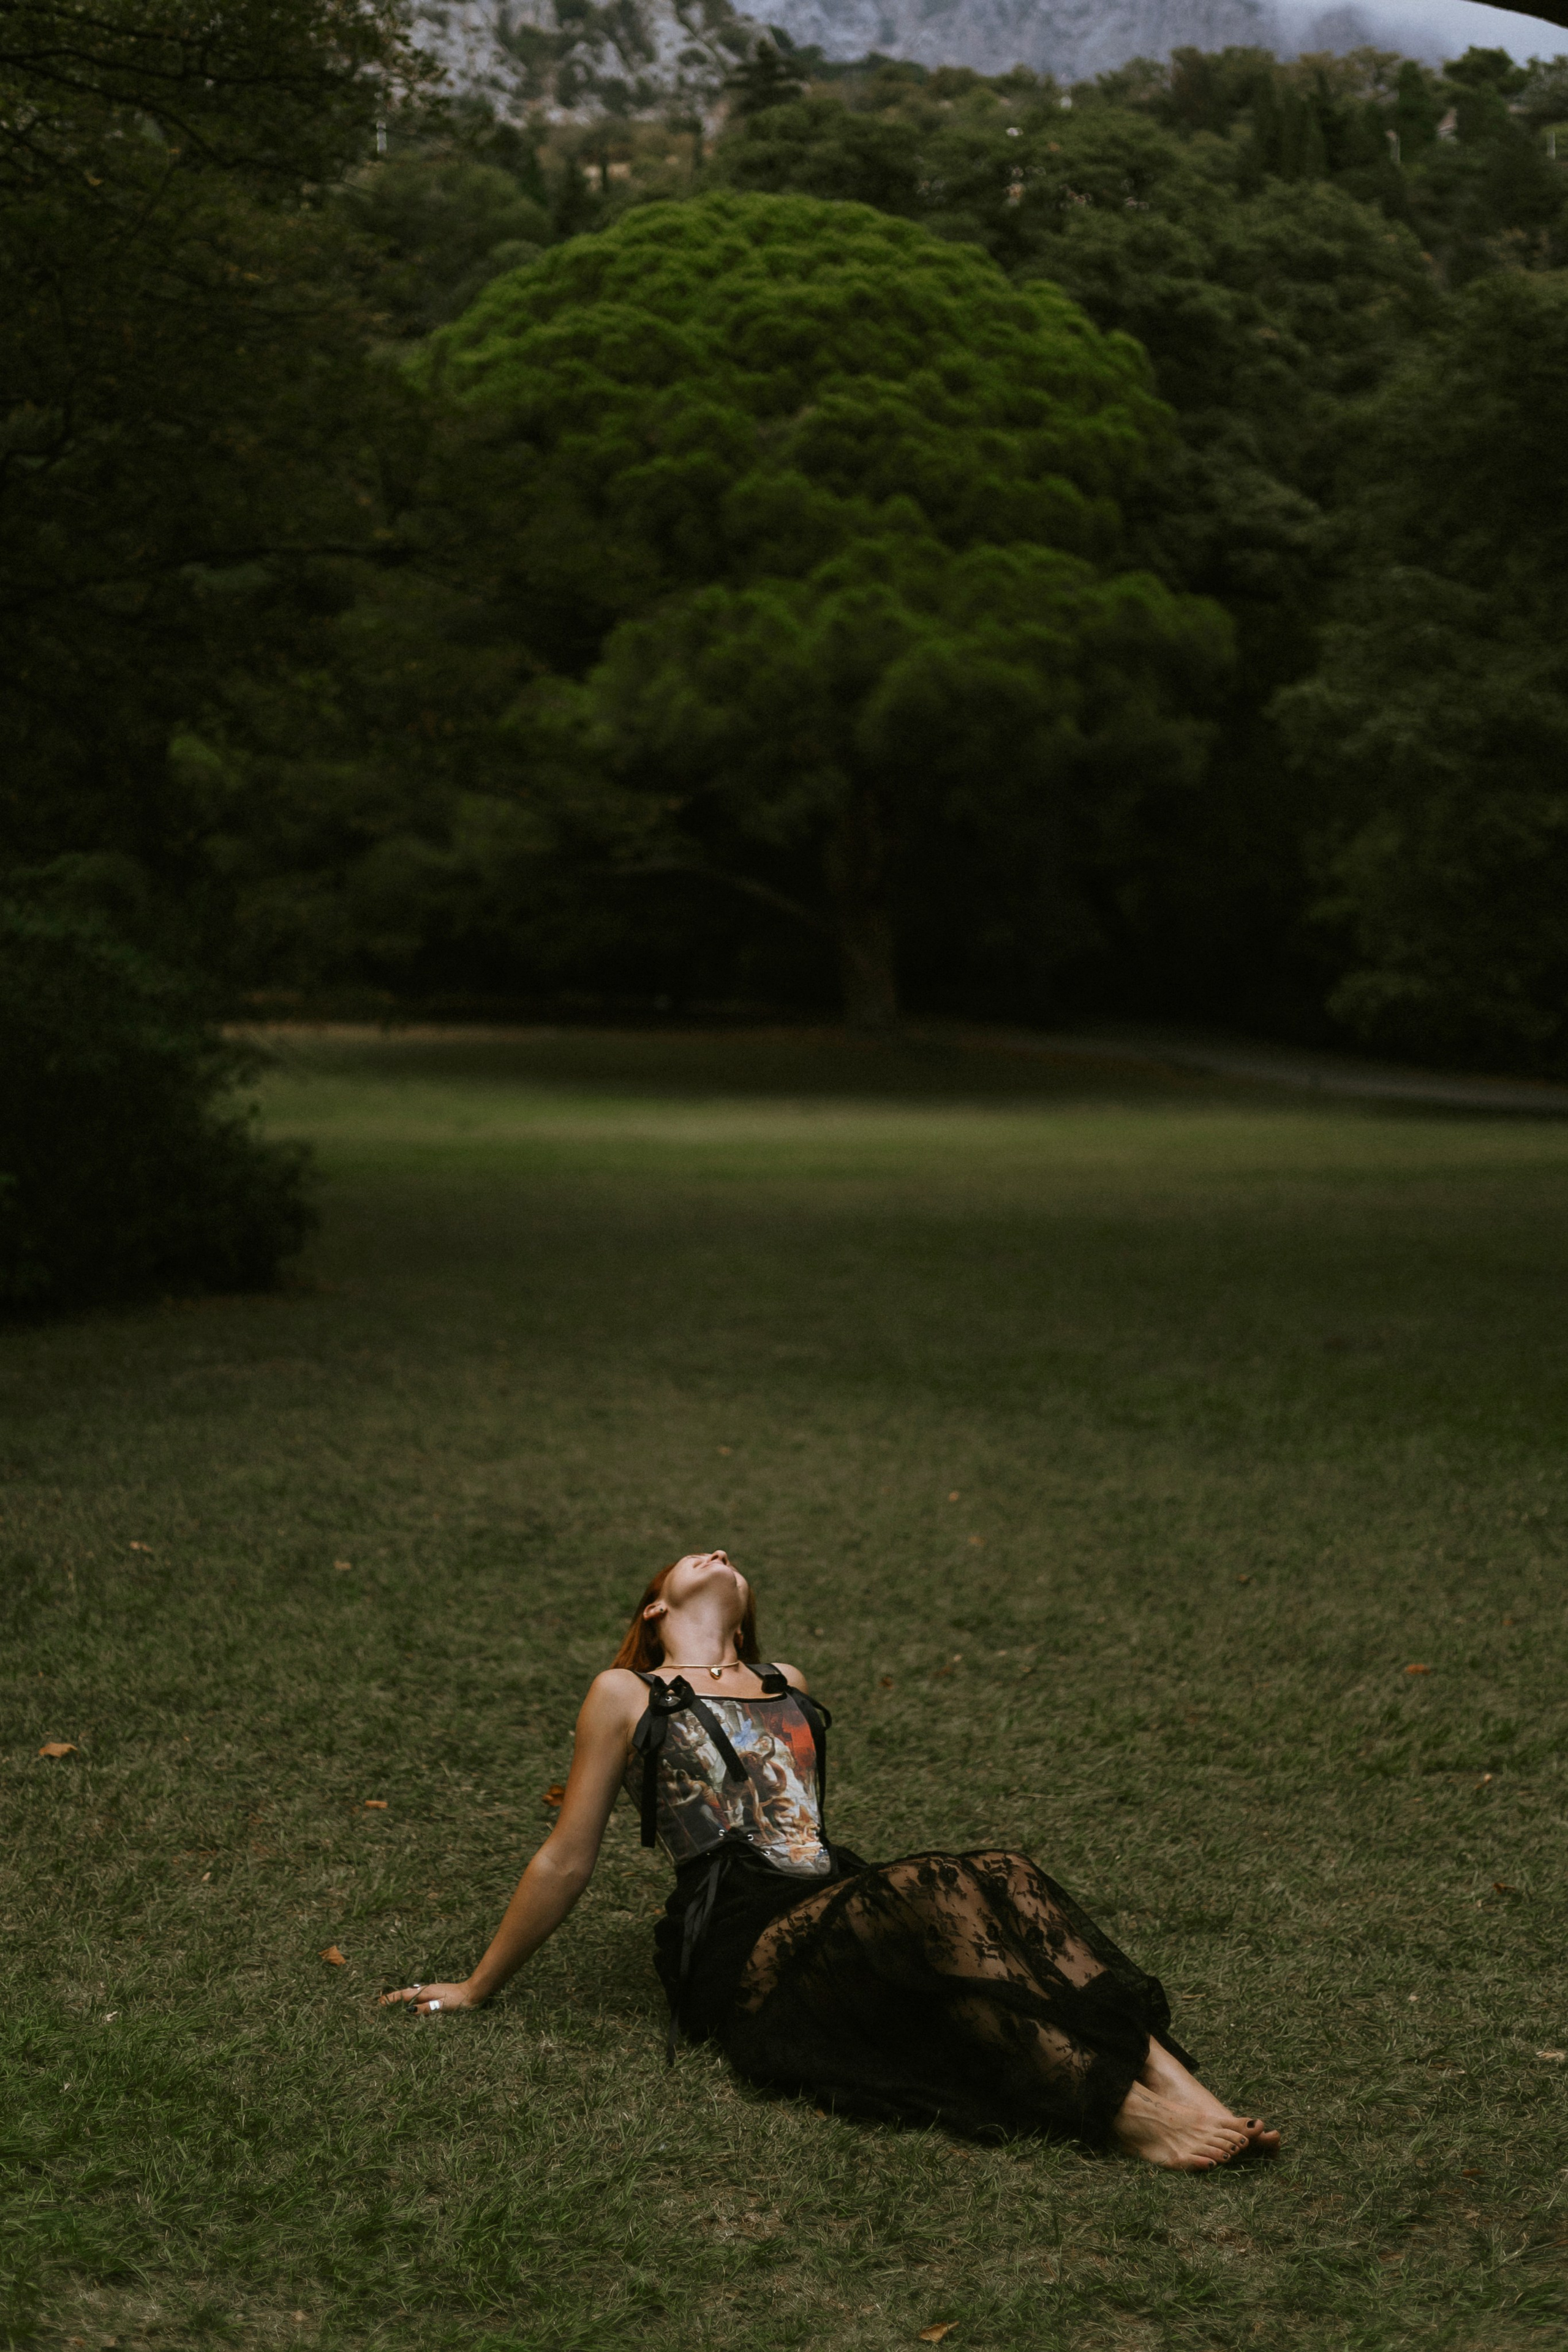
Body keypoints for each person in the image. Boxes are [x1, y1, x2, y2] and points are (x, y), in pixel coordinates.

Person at [382, 1550, 1281, 2170]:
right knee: (936, 1886)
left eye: (728, 1556)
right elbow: (567, 1859)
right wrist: (475, 1986)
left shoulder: (788, 1683)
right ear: (654, 1607)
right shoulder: (627, 1691)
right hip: (738, 1926)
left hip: (827, 1887)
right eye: (696, 1555)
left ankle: (1184, 2087)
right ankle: (1125, 2113)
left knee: (1004, 1870)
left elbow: (803, 1829)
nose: (720, 1551)